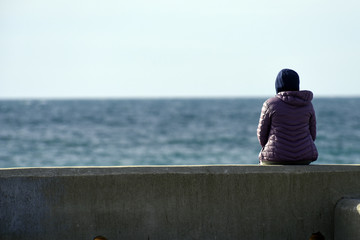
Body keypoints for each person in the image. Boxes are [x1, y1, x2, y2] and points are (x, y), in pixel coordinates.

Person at [257, 69, 318, 165]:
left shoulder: (270, 104)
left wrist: (271, 149)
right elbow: (312, 134)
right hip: (304, 157)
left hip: (275, 158)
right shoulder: (308, 105)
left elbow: (262, 134)